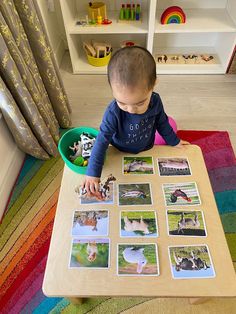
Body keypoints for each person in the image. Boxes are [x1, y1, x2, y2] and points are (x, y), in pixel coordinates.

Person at [83, 46, 189, 198]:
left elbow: (162, 123)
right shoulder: (113, 112)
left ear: (153, 86)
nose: (131, 110)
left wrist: (174, 141)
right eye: (122, 103)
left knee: (170, 124)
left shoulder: (156, 101)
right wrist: (92, 173)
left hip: (146, 145)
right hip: (120, 148)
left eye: (139, 103)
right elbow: (101, 140)